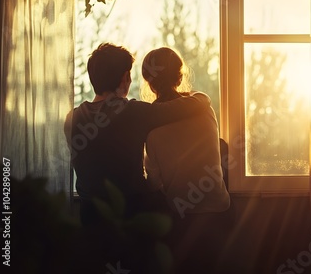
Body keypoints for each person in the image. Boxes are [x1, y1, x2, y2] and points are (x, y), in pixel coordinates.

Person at [65, 43, 210, 225]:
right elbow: (185, 107)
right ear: (125, 77)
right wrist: (202, 97)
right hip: (133, 215)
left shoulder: (72, 118)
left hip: (90, 217)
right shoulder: (132, 112)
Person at [141, 47, 231, 272]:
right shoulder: (203, 105)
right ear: (180, 77)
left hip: (183, 219)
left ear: (149, 82)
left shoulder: (150, 125)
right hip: (219, 212)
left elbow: (154, 182)